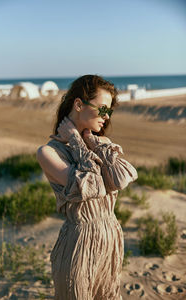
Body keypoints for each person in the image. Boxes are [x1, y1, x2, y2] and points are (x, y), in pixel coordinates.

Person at [36, 74, 138, 300]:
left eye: (109, 111)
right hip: (79, 243)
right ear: (79, 104)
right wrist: (75, 142)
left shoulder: (100, 143)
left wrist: (90, 142)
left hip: (110, 238)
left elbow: (121, 179)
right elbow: (92, 187)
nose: (106, 116)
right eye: (102, 108)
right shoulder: (49, 153)